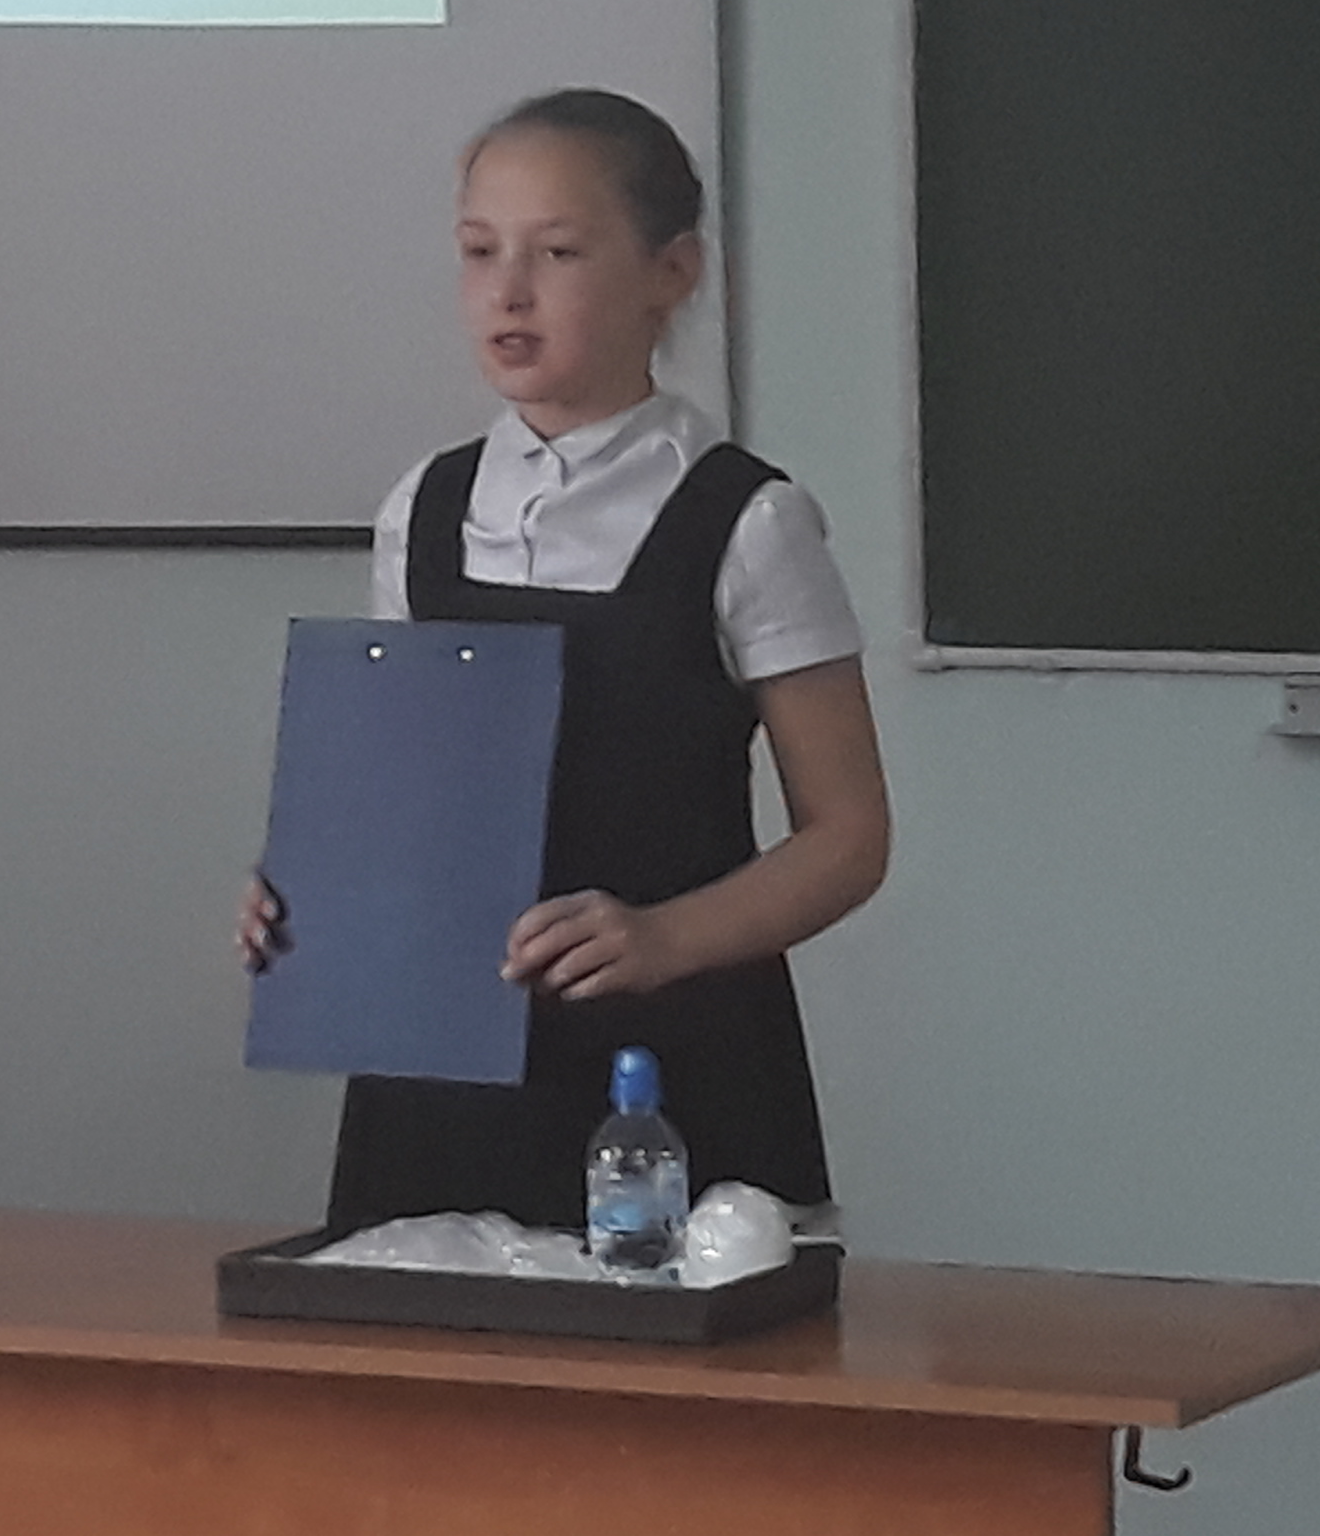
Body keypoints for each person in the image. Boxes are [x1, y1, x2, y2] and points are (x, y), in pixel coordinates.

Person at [239, 90, 893, 1229]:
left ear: (671, 271)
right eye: (479, 251)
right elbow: (406, 797)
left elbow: (849, 837)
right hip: (442, 1070)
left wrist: (664, 938)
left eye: (558, 252)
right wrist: (314, 895)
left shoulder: (745, 519)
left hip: (675, 1070)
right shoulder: (425, 507)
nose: (509, 292)